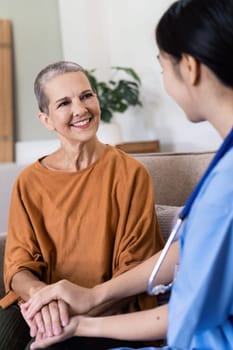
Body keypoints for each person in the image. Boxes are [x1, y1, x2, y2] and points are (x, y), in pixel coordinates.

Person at [21, 0, 233, 349]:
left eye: (162, 66)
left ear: (191, 67)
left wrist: (79, 325)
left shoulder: (223, 190)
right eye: (63, 103)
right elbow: (189, 250)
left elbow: (184, 311)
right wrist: (89, 297)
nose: (79, 110)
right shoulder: (223, 171)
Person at [0, 61, 164, 350]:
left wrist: (75, 313)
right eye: (64, 102)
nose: (80, 109)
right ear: (47, 120)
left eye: (86, 95)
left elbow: (135, 268)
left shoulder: (130, 174)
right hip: (41, 308)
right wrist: (43, 298)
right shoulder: (29, 182)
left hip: (111, 309)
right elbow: (18, 266)